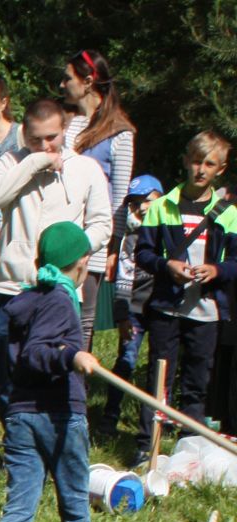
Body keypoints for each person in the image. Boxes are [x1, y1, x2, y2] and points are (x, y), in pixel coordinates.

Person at [0, 222, 104, 522]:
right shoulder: (59, 298)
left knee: (20, 504)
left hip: (21, 413)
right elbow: (35, 353)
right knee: (74, 503)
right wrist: (72, 356)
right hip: (58, 415)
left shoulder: (31, 297)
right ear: (82, 261)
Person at [0, 100, 111, 419]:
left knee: (58, 367)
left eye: (52, 137)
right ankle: (15, 440)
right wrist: (36, 161)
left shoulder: (86, 168)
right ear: (23, 132)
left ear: (64, 130)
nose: (45, 145)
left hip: (61, 289)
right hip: (14, 286)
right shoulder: (11, 162)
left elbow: (101, 223)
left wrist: (74, 253)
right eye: (36, 138)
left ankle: (57, 434)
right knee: (7, 370)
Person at [133, 133, 237, 462]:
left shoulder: (229, 213)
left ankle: (189, 450)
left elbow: (235, 262)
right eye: (196, 161)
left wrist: (216, 272)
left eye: (209, 164)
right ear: (185, 161)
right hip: (167, 307)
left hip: (206, 311)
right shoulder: (162, 206)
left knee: (198, 379)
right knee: (159, 374)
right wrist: (167, 265)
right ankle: (147, 444)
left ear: (220, 169)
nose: (200, 169)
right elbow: (144, 253)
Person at [61, 50, 138, 347]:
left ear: (89, 81)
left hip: (93, 236)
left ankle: (76, 387)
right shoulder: (65, 125)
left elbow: (119, 197)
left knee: (83, 320)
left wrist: (111, 246)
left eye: (68, 78)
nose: (62, 85)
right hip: (61, 228)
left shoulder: (120, 132)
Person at [99, 174, 165, 434]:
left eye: (147, 200)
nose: (141, 208)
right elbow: (123, 279)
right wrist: (122, 316)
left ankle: (155, 421)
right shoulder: (130, 238)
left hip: (161, 308)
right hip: (135, 310)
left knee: (159, 366)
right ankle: (109, 415)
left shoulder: (166, 231)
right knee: (126, 359)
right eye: (134, 202)